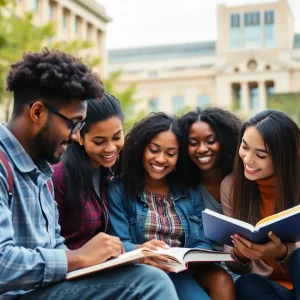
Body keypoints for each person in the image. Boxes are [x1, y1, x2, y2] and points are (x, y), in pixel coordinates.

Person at [0, 49, 179, 300]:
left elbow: (54, 247)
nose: (75, 136)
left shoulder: (40, 170)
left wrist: (117, 258)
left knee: (145, 276)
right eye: (73, 123)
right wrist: (79, 256)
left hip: (48, 289)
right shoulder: (6, 166)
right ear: (38, 112)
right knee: (147, 285)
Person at [108, 112, 227, 300]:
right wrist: (141, 251)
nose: (161, 159)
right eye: (154, 150)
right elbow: (118, 242)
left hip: (180, 272)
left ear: (179, 156)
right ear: (141, 149)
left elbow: (201, 241)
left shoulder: (188, 191)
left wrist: (192, 256)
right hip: (140, 272)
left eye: (170, 154)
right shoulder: (120, 190)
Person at [221, 109, 300, 299]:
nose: (248, 159)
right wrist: (240, 252)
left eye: (261, 155)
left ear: (283, 157)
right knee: (247, 284)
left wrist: (282, 251)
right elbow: (233, 264)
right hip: (273, 288)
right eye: (244, 147)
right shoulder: (231, 186)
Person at [180, 107, 241, 299]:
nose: (202, 149)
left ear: (225, 140)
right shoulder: (183, 187)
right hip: (205, 269)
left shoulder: (243, 180)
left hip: (247, 264)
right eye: (193, 143)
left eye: (210, 141)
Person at [52, 93, 124, 250]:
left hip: (102, 265)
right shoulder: (58, 175)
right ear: (79, 136)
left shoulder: (108, 172)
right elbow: (47, 241)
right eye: (99, 141)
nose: (111, 148)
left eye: (117, 137)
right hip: (71, 268)